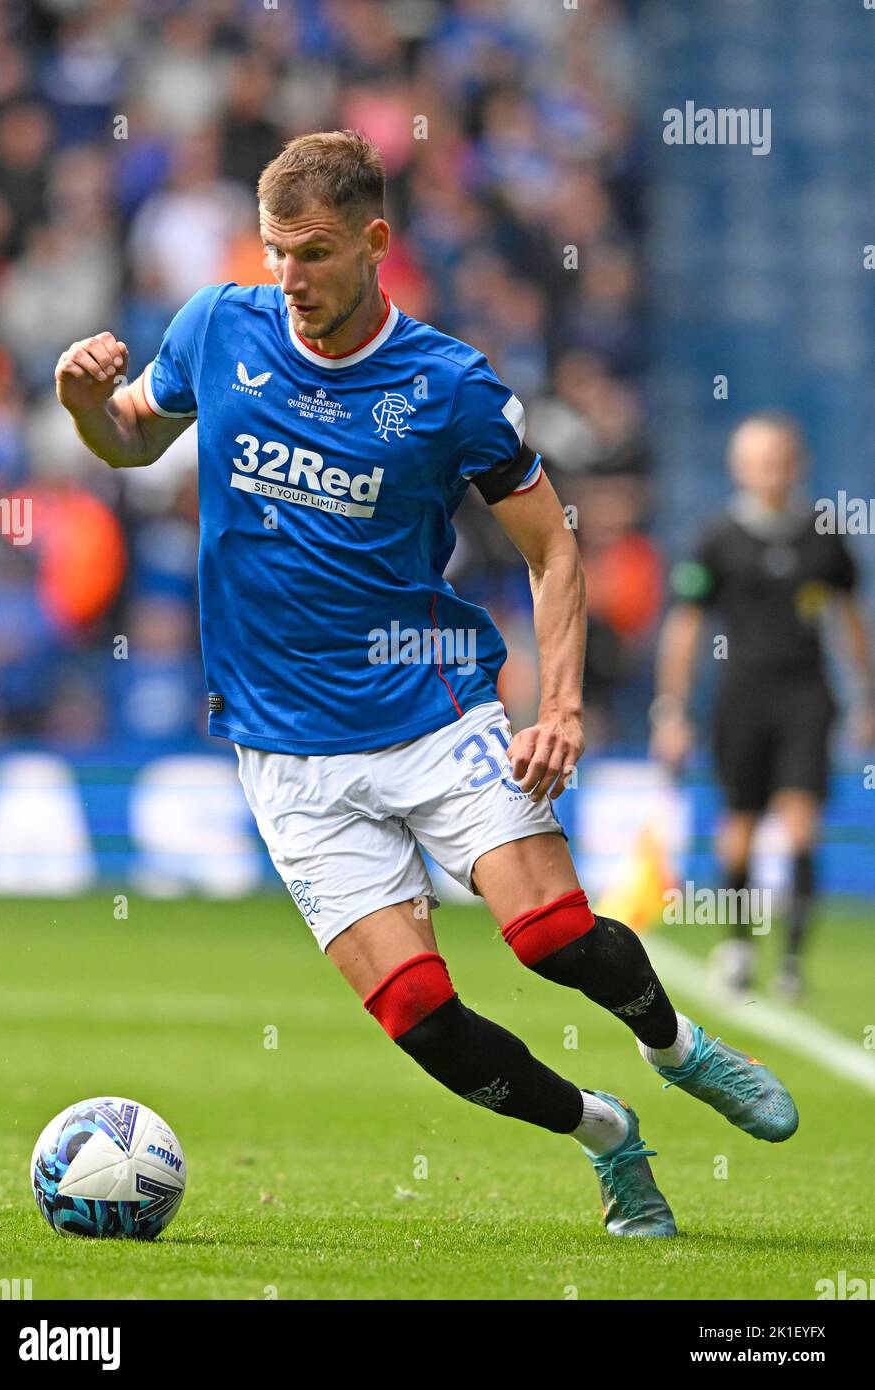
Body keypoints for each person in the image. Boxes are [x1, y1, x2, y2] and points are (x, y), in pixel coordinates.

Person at [55, 130, 798, 1239]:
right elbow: (128, 443)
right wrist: (82, 404)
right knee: (419, 1015)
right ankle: (607, 1133)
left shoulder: (450, 387)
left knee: (548, 932)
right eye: (273, 253)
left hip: (432, 706)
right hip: (286, 748)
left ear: (376, 241)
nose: (290, 280)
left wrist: (559, 705)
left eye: (312, 253)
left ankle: (678, 1045)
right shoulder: (217, 326)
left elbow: (554, 549)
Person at [651, 412, 874, 999]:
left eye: (778, 460)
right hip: (742, 696)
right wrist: (671, 709)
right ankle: (740, 945)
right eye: (757, 462)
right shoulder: (718, 539)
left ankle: (794, 961)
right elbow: (687, 627)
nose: (769, 472)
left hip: (806, 695)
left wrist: (865, 697)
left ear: (797, 464)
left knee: (801, 824)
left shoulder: (824, 537)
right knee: (741, 826)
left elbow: (849, 620)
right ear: (739, 468)